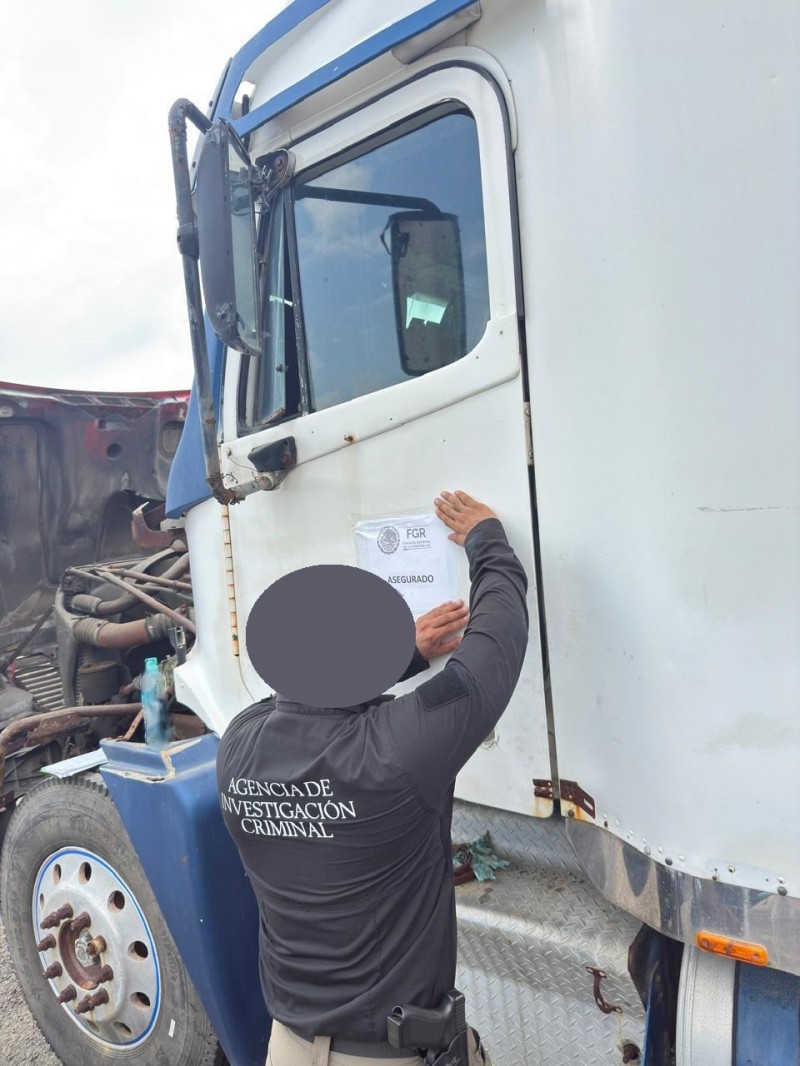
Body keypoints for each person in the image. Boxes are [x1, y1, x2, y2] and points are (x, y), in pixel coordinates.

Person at [217, 490, 529, 1065]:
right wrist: (488, 539)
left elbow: (299, 700)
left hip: (287, 1047)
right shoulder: (394, 752)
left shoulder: (237, 746)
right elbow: (493, 649)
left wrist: (400, 655)